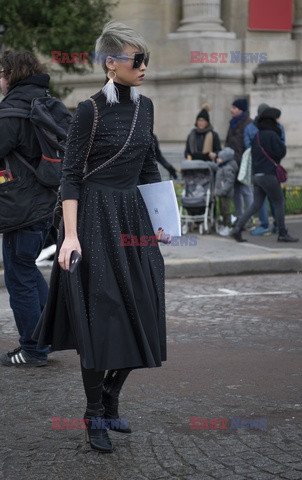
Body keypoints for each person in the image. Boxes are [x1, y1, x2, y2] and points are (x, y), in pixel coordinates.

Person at [34, 21, 167, 453]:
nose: (144, 66)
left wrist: (163, 220)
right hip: (93, 219)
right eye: (137, 59)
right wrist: (70, 237)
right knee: (102, 317)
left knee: (144, 311)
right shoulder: (89, 109)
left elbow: (149, 168)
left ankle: (111, 396)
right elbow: (70, 177)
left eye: (145, 59)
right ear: (111, 64)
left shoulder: (146, 107)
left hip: (134, 221)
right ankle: (94, 413)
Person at [0, 51, 56, 367]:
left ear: (12, 74)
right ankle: (48, 337)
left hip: (21, 209)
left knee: (19, 276)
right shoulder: (43, 102)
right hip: (43, 203)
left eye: (0, 72)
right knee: (28, 270)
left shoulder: (11, 112)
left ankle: (33, 348)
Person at [231, 107, 298, 243]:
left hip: (257, 175)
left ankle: (237, 229)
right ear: (272, 120)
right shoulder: (273, 135)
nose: (278, 121)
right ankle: (282, 233)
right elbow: (281, 152)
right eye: (276, 119)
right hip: (269, 174)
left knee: (256, 204)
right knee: (279, 202)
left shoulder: (257, 135)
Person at [244, 102, 286, 236]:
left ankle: (239, 228)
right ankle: (280, 229)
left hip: (257, 169)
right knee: (277, 200)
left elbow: (249, 147)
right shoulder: (274, 129)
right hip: (270, 170)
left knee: (258, 203)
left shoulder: (253, 130)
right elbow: (281, 148)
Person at [225, 98, 253, 223]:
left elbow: (248, 145)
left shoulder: (248, 123)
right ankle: (240, 216)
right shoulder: (232, 123)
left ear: (241, 110)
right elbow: (228, 142)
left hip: (244, 162)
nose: (231, 110)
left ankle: (250, 217)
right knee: (236, 191)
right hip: (233, 162)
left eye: (234, 108)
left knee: (246, 190)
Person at [211, 147, 238, 236]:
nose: (217, 160)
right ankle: (226, 224)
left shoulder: (227, 168)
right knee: (222, 210)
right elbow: (214, 166)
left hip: (225, 193)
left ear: (225, 159)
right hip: (221, 193)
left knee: (226, 211)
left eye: (219, 158)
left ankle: (229, 226)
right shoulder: (221, 167)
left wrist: (222, 191)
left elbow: (229, 182)